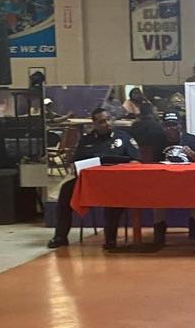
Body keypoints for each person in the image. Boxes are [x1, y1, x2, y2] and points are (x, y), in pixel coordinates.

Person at [46, 107, 140, 250]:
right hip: (90, 183)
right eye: (102, 122)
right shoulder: (86, 140)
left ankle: (110, 240)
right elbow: (75, 163)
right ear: (94, 124)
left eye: (108, 120)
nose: (107, 124)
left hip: (115, 183)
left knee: (113, 199)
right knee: (66, 190)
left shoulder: (124, 138)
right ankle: (60, 236)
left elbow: (136, 161)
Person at [152, 111, 195, 245]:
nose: (171, 128)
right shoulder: (159, 141)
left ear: (180, 125)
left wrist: (193, 155)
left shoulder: (191, 139)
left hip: (189, 183)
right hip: (166, 183)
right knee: (156, 196)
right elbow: (153, 164)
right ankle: (159, 229)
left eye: (174, 124)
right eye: (167, 125)